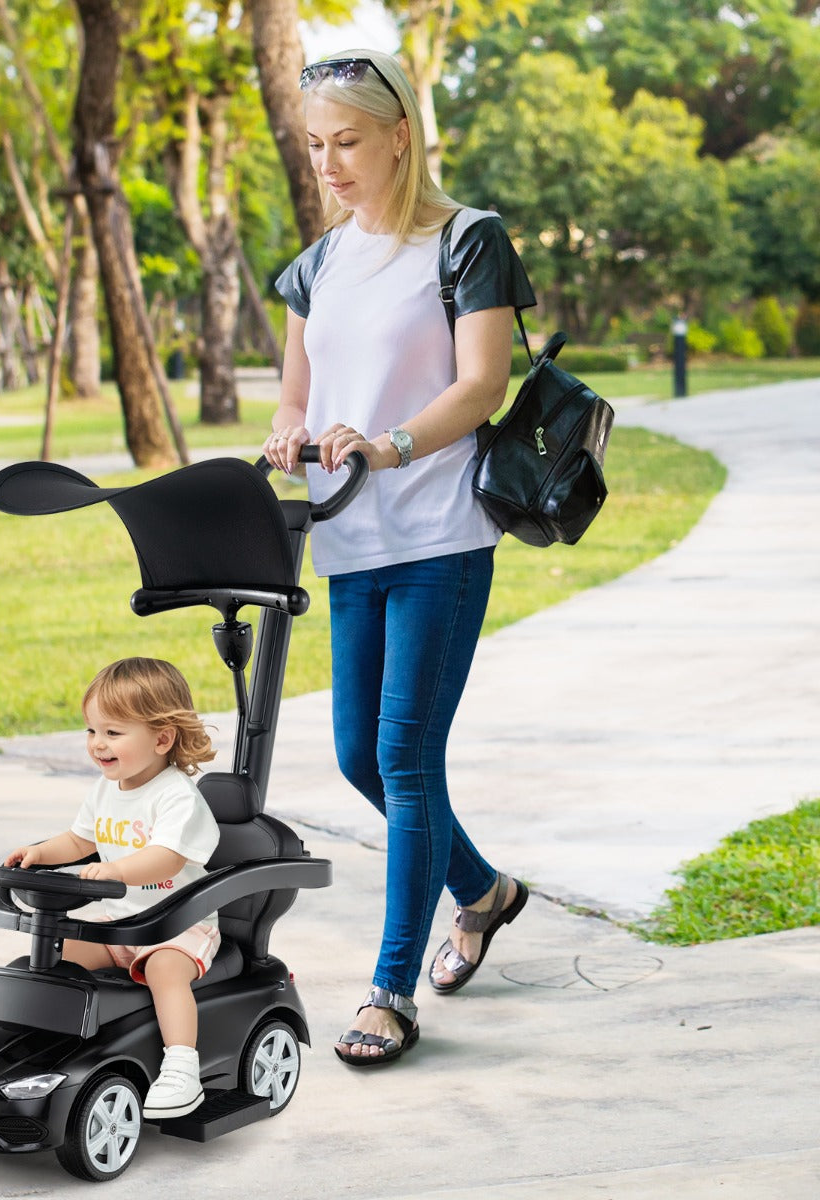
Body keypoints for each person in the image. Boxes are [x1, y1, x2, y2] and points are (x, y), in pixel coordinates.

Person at [263, 50, 535, 1067]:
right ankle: (485, 891)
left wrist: (390, 445)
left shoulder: (468, 244)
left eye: (346, 143)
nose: (328, 163)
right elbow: (295, 394)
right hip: (350, 537)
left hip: (438, 533)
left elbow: (480, 390)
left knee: (407, 758)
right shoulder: (317, 265)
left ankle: (389, 989)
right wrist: (291, 435)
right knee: (355, 757)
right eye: (315, 144)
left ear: (396, 136)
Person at [4, 657, 220, 1116]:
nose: (97, 744)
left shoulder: (176, 796)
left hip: (176, 925)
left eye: (113, 733)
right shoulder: (107, 789)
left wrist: (117, 871)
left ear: (162, 737)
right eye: (91, 731)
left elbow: (168, 856)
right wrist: (41, 853)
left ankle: (182, 1067)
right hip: (121, 922)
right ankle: (44, 1046)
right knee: (53, 953)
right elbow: (81, 839)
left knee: (163, 970)